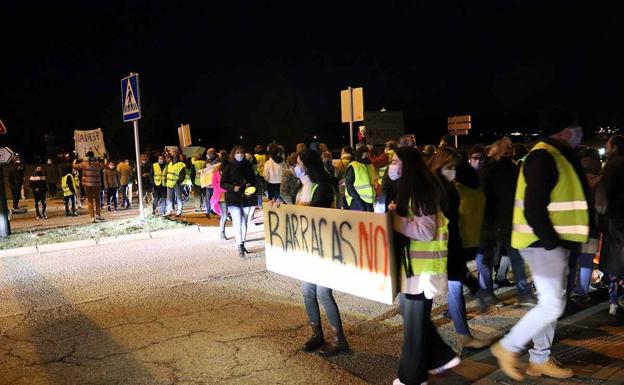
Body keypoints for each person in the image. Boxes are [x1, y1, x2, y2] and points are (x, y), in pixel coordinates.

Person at [491, 106, 590, 381]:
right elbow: (534, 208)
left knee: (553, 302)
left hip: (551, 242)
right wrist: (552, 244)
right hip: (541, 242)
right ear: (563, 130)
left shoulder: (555, 154)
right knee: (551, 305)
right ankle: (507, 347)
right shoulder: (543, 156)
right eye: (574, 126)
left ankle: (540, 360)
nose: (578, 132)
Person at [388, 147, 459, 385]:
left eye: (396, 161)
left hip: (422, 272)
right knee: (415, 321)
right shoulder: (415, 189)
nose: (393, 165)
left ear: (407, 165)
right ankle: (441, 358)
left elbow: (426, 231)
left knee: (414, 328)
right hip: (414, 270)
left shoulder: (421, 191)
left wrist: (395, 220)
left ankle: (412, 378)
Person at [286, 149, 349, 356]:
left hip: (325, 248)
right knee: (307, 292)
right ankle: (317, 335)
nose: (296, 166)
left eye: (299, 163)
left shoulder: (324, 188)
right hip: (306, 249)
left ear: (308, 165)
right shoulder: (299, 187)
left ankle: (339, 340)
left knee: (323, 292)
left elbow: (315, 213)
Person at [430, 147, 491, 352]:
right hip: (434, 253)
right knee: (419, 309)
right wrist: (474, 285)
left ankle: (463, 337)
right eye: (450, 167)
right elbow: (448, 230)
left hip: (439, 251)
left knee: (452, 288)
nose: (453, 171)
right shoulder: (441, 190)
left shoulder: (443, 186)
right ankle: (430, 356)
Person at [478, 138, 536, 307]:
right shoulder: (512, 169)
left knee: (491, 259)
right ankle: (522, 293)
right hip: (506, 221)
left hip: (494, 221)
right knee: (513, 258)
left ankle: (487, 292)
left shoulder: (489, 169)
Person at [567, 147, 602, 307]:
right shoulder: (598, 180)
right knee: (586, 261)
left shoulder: (573, 178)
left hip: (572, 225)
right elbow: (602, 206)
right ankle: (581, 294)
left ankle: (567, 291)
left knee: (572, 261)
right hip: (591, 226)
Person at [600, 135, 624, 315]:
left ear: (614, 147)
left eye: (607, 145)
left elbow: (605, 195)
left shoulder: (611, 165)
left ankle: (613, 303)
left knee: (615, 262)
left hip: (615, 219)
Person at [221, 146, 257, 257]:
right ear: (233, 154)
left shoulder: (248, 166)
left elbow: (254, 180)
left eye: (242, 152)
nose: (240, 154)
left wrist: (250, 185)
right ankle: (239, 244)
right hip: (233, 197)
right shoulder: (228, 167)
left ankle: (243, 243)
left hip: (246, 196)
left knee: (244, 221)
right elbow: (223, 183)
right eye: (237, 152)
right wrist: (232, 188)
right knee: (237, 220)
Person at [73, 151, 104, 222]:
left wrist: (75, 159)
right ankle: (98, 215)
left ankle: (92, 217)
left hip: (87, 185)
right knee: (97, 199)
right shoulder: (97, 164)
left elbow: (74, 166)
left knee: (90, 200)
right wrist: (104, 158)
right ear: (93, 156)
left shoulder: (83, 164)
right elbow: (104, 165)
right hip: (96, 184)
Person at [345, 145, 375, 211]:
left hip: (370, 201)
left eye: (368, 153)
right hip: (357, 201)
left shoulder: (370, 165)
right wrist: (357, 200)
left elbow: (373, 180)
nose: (367, 155)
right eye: (365, 153)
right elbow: (349, 184)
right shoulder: (353, 165)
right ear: (361, 154)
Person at [209, 156, 229, 240]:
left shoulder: (230, 172)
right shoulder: (216, 173)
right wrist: (224, 186)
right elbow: (214, 185)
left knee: (232, 215)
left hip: (231, 195)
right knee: (224, 215)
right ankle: (222, 232)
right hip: (221, 196)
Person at [165, 149, 186, 217]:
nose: (172, 157)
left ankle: (179, 211)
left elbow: (182, 175)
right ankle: (169, 211)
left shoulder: (181, 164)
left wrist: (178, 182)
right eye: (172, 156)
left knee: (179, 198)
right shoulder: (170, 163)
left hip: (176, 184)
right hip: (169, 183)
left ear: (177, 156)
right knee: (169, 199)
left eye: (174, 156)